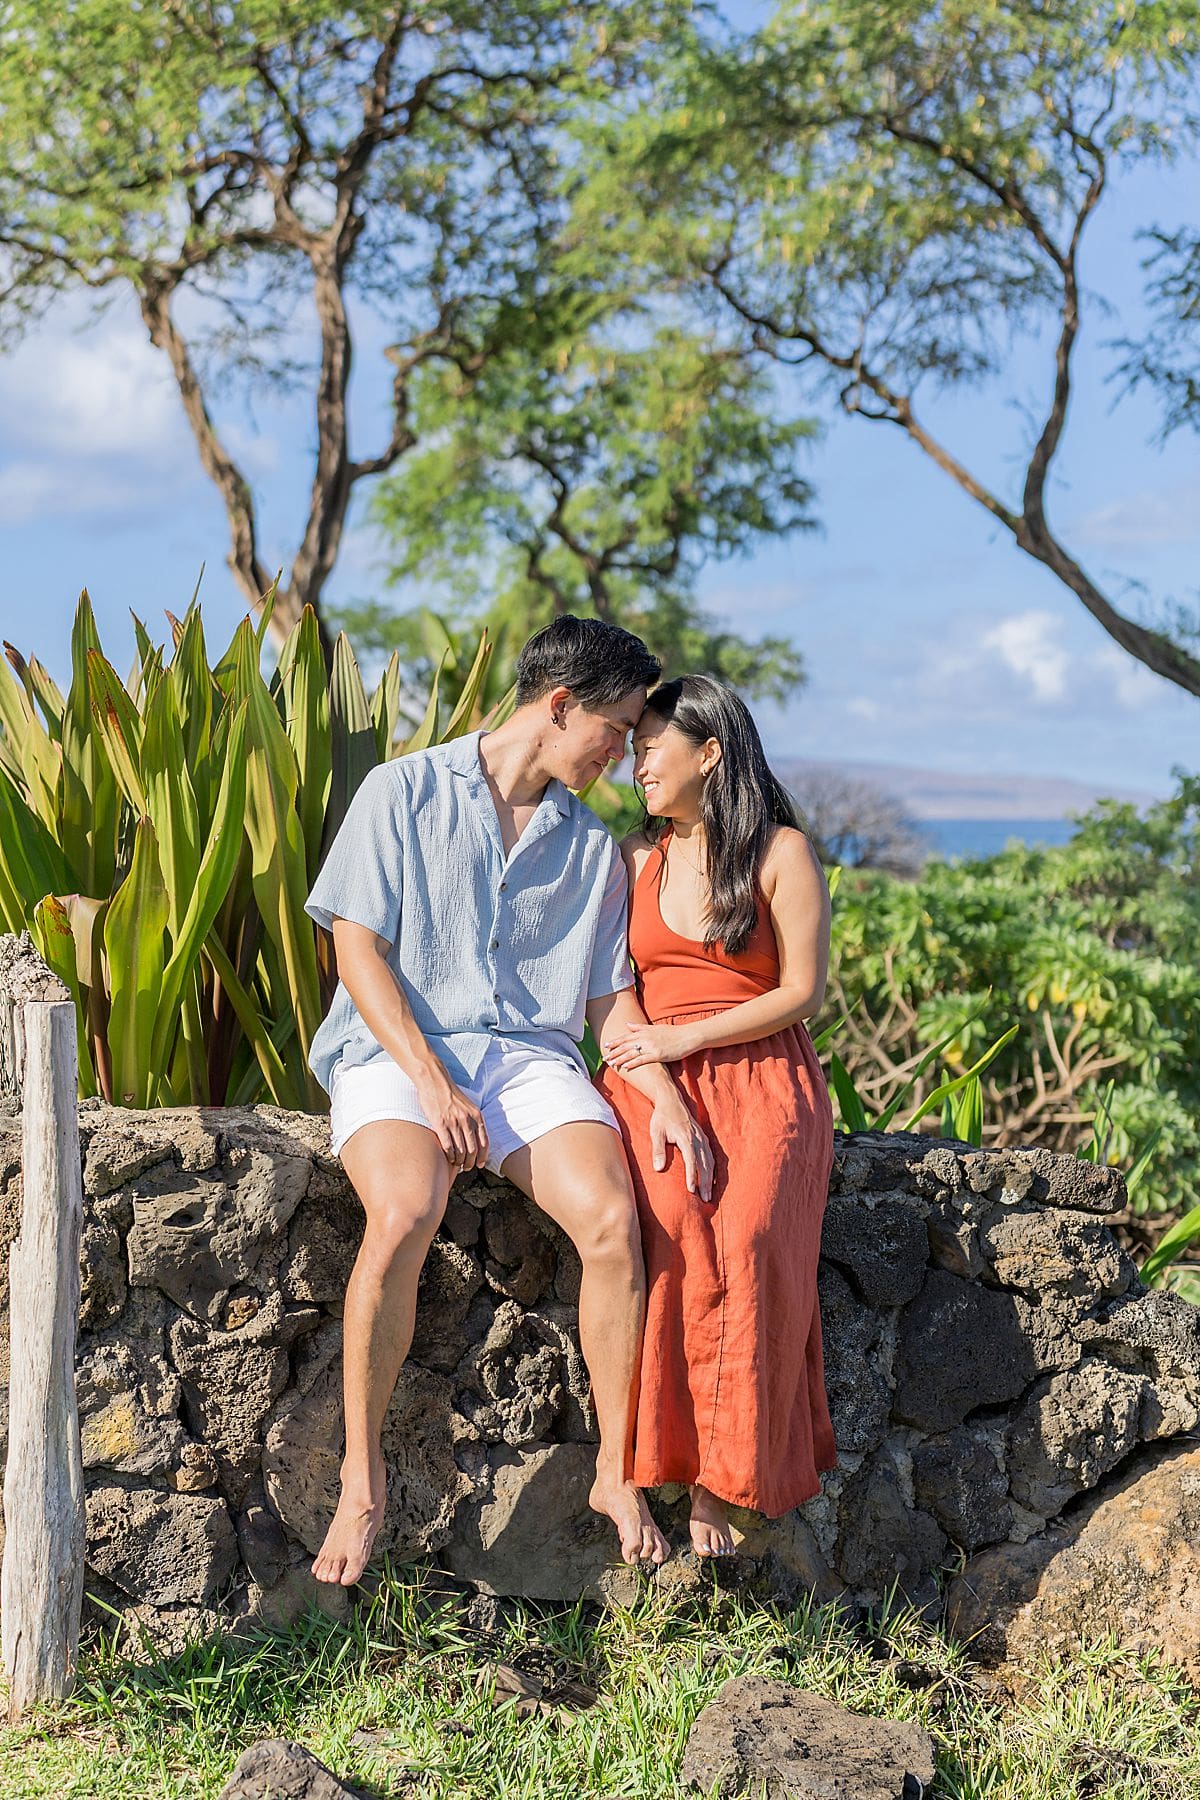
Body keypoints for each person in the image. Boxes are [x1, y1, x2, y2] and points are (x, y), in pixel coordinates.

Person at [302, 616, 714, 1586]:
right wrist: (434, 1081)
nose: (625, 749)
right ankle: (362, 1484)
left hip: (526, 1061)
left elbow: (612, 1005)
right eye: (615, 726)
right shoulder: (400, 790)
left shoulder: (591, 849)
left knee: (613, 1222)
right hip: (396, 1049)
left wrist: (665, 1095)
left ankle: (617, 1470)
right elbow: (355, 949)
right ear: (559, 704)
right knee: (406, 1210)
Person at [597, 674, 837, 1557]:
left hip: (761, 1074)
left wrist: (686, 1041)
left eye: (650, 746)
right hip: (651, 1076)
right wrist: (658, 1059)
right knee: (669, 1229)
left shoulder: (780, 853)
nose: (635, 764)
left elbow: (801, 991)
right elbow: (610, 985)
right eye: (631, 746)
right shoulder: (634, 857)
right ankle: (648, 1457)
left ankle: (718, 1481)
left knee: (750, 1239)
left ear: (710, 753)